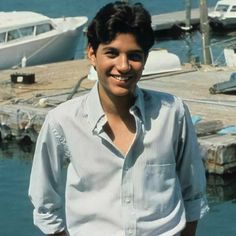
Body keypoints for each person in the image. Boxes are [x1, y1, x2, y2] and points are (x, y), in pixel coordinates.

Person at [28, 1, 209, 236]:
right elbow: (44, 203)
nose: (123, 66)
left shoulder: (172, 113)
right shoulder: (62, 122)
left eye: (134, 55)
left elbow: (192, 193)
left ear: (145, 59)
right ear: (92, 53)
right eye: (112, 53)